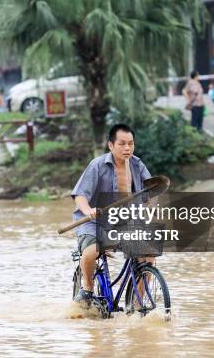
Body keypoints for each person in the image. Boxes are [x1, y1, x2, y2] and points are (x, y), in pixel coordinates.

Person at [71, 124, 153, 305]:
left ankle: (137, 305)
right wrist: (88, 210)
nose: (127, 148)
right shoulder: (98, 165)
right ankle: (87, 288)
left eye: (131, 144)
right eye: (122, 144)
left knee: (148, 256)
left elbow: (150, 191)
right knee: (91, 252)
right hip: (94, 221)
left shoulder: (137, 165)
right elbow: (80, 195)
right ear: (111, 145)